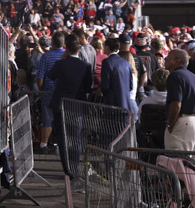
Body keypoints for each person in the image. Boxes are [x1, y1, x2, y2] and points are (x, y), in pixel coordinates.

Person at [47, 33, 93, 178]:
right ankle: (74, 166)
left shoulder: (61, 64)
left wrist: (62, 60)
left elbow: (51, 75)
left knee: (63, 138)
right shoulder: (86, 66)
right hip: (76, 106)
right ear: (79, 50)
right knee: (76, 137)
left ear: (67, 49)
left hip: (60, 105)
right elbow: (87, 87)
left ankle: (67, 168)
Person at [165, 48, 195, 160]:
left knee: (177, 165)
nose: (165, 59)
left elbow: (176, 104)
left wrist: (170, 124)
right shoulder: (194, 77)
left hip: (183, 122)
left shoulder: (175, 76)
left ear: (177, 61)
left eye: (168, 57)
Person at [36, 31, 67, 151]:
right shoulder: (66, 55)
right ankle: (60, 145)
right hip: (62, 93)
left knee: (47, 119)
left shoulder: (46, 56)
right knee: (61, 119)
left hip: (48, 92)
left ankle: (44, 144)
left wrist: (40, 90)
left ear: (53, 42)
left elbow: (40, 77)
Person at [101, 37, 132, 111]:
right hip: (126, 105)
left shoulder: (107, 62)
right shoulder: (126, 63)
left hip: (112, 105)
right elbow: (130, 86)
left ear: (107, 47)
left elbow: (105, 85)